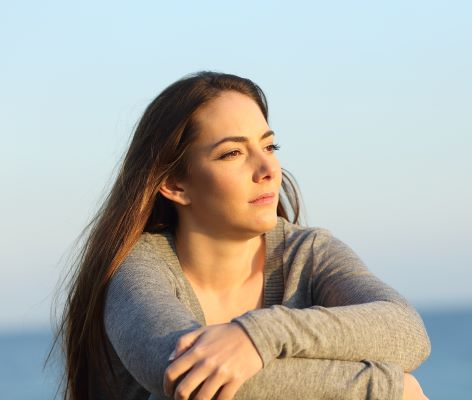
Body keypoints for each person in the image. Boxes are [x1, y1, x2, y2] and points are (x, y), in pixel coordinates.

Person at [55, 71, 431, 400]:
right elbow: (187, 379)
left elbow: (407, 333)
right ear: (173, 183)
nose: (267, 168)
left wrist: (258, 335)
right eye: (233, 153)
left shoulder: (307, 253)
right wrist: (385, 389)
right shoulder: (136, 271)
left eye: (269, 146)